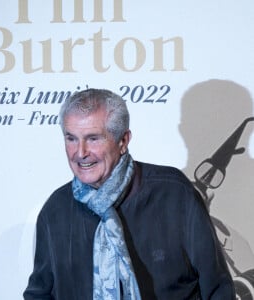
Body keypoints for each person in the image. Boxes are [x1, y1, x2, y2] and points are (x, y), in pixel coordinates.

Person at [23, 88, 235, 299]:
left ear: (123, 141)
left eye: (93, 138)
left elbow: (218, 289)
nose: (80, 153)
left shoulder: (174, 194)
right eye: (71, 139)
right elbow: (40, 293)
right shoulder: (56, 210)